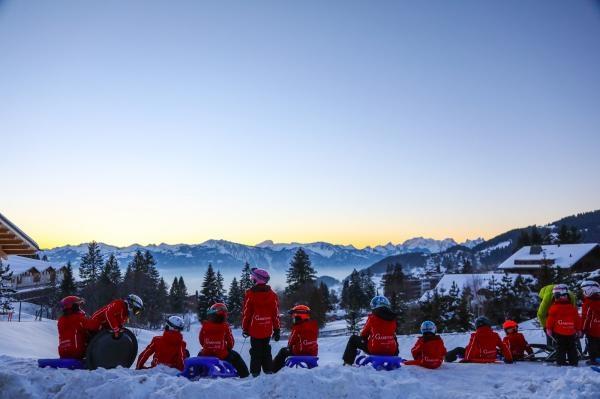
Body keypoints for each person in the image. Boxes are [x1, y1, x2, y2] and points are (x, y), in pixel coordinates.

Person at [242, 268, 280, 377]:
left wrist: (245, 328)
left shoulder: (250, 294)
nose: (251, 279)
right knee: (266, 350)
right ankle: (268, 371)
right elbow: (275, 314)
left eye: (252, 278)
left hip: (255, 329)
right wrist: (277, 330)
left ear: (256, 279)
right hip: (267, 329)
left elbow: (247, 313)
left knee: (255, 352)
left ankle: (255, 373)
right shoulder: (273, 295)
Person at [342, 295, 398, 365]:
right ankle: (395, 357)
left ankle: (347, 362)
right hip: (391, 350)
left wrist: (365, 340)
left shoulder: (372, 318)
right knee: (393, 337)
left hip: (375, 350)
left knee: (353, 339)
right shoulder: (393, 319)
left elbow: (364, 334)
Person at [199, 302, 250, 377]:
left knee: (200, 354)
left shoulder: (205, 326)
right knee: (236, 356)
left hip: (206, 354)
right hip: (222, 356)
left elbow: (201, 340)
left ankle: (199, 371)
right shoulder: (225, 326)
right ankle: (244, 375)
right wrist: (228, 349)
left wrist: (208, 346)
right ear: (224, 316)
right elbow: (231, 343)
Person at [272, 305, 319, 373]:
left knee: (283, 351)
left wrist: (290, 347)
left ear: (298, 316)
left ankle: (274, 369)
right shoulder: (314, 326)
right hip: (313, 353)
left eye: (294, 317)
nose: (293, 319)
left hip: (300, 352)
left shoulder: (297, 327)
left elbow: (290, 343)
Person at [445, 316, 513, 363]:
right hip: (491, 357)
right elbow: (503, 346)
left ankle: (446, 357)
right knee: (497, 349)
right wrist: (509, 359)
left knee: (458, 349)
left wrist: (467, 359)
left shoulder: (475, 335)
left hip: (477, 357)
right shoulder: (495, 335)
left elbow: (471, 347)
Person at [546, 284, 582, 366]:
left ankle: (561, 362)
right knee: (572, 348)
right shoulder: (572, 308)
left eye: (555, 295)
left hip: (559, 332)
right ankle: (573, 362)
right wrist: (579, 330)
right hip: (571, 332)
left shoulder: (554, 308)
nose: (555, 297)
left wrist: (549, 329)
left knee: (560, 348)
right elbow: (577, 319)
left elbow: (550, 319)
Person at [537, 284, 576, 348]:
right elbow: (541, 314)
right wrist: (545, 327)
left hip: (558, 291)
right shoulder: (547, 298)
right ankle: (550, 347)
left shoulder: (571, 297)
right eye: (557, 298)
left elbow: (573, 313)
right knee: (549, 325)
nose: (561, 299)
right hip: (545, 293)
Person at [582, 285, 600, 365]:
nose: (584, 293)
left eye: (585, 291)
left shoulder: (588, 304)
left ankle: (593, 359)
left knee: (592, 345)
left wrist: (583, 328)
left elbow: (586, 318)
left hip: (591, 330)